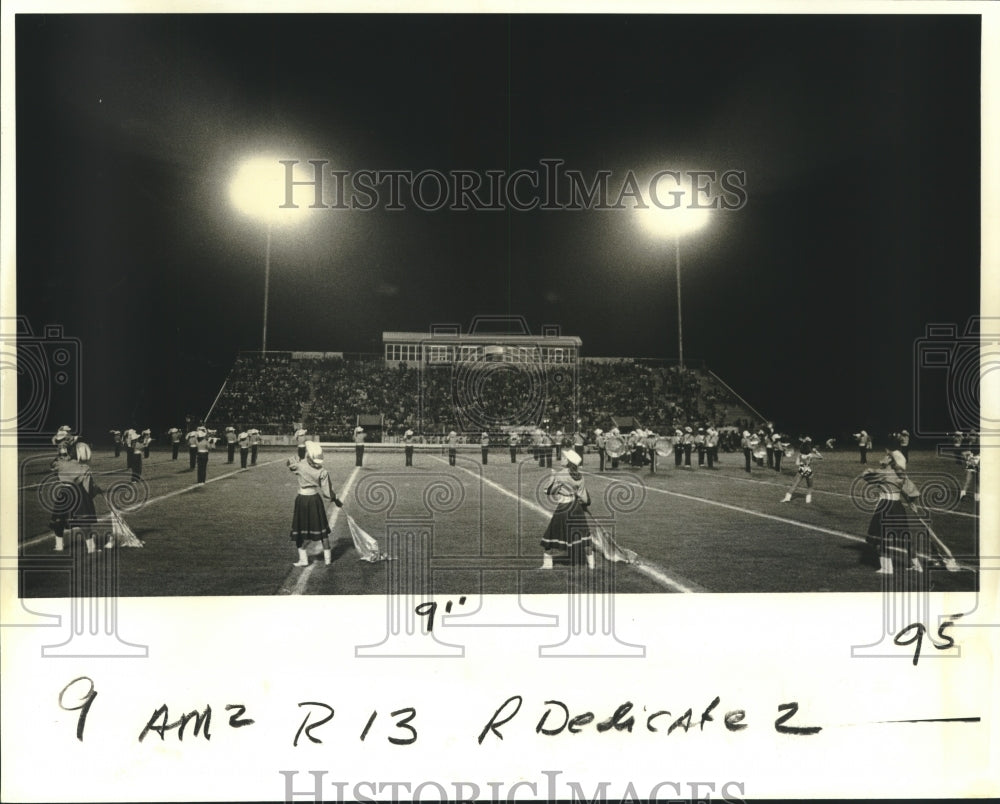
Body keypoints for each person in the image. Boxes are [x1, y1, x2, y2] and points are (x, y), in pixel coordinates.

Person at [861, 445, 924, 574]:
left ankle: (887, 568)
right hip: (898, 506)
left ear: (890, 460)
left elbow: (865, 476)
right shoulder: (901, 475)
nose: (884, 457)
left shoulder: (883, 473)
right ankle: (916, 565)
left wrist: (874, 469)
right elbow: (911, 492)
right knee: (905, 537)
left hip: (885, 506)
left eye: (887, 456)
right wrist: (911, 503)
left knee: (882, 537)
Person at [288, 441, 344, 568]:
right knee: (322, 531)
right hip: (315, 500)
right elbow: (328, 493)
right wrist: (336, 499)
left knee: (300, 530)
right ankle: (328, 560)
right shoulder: (323, 471)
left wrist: (297, 458)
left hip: (302, 500)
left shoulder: (300, 465)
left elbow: (289, 463)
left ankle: (303, 560)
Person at [539, 449, 595, 571]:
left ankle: (547, 564)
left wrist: (552, 477)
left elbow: (548, 491)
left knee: (551, 534)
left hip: (564, 508)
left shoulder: (560, 474)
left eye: (564, 458)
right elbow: (584, 498)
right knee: (584, 536)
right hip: (576, 508)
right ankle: (591, 564)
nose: (562, 459)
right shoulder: (580, 476)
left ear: (569, 462)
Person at [50, 442, 106, 554]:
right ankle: (90, 548)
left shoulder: (60, 463)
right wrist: (95, 489)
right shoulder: (82, 467)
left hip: (65, 492)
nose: (62, 449)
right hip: (77, 493)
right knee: (81, 522)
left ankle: (60, 545)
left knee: (61, 520)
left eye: (64, 447)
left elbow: (54, 468)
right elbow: (88, 487)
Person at [781, 438, 823, 503]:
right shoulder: (811, 455)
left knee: (794, 485)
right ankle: (808, 500)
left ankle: (787, 498)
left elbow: (797, 463)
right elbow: (821, 457)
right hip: (808, 471)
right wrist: (816, 451)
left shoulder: (800, 455)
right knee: (810, 486)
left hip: (801, 470)